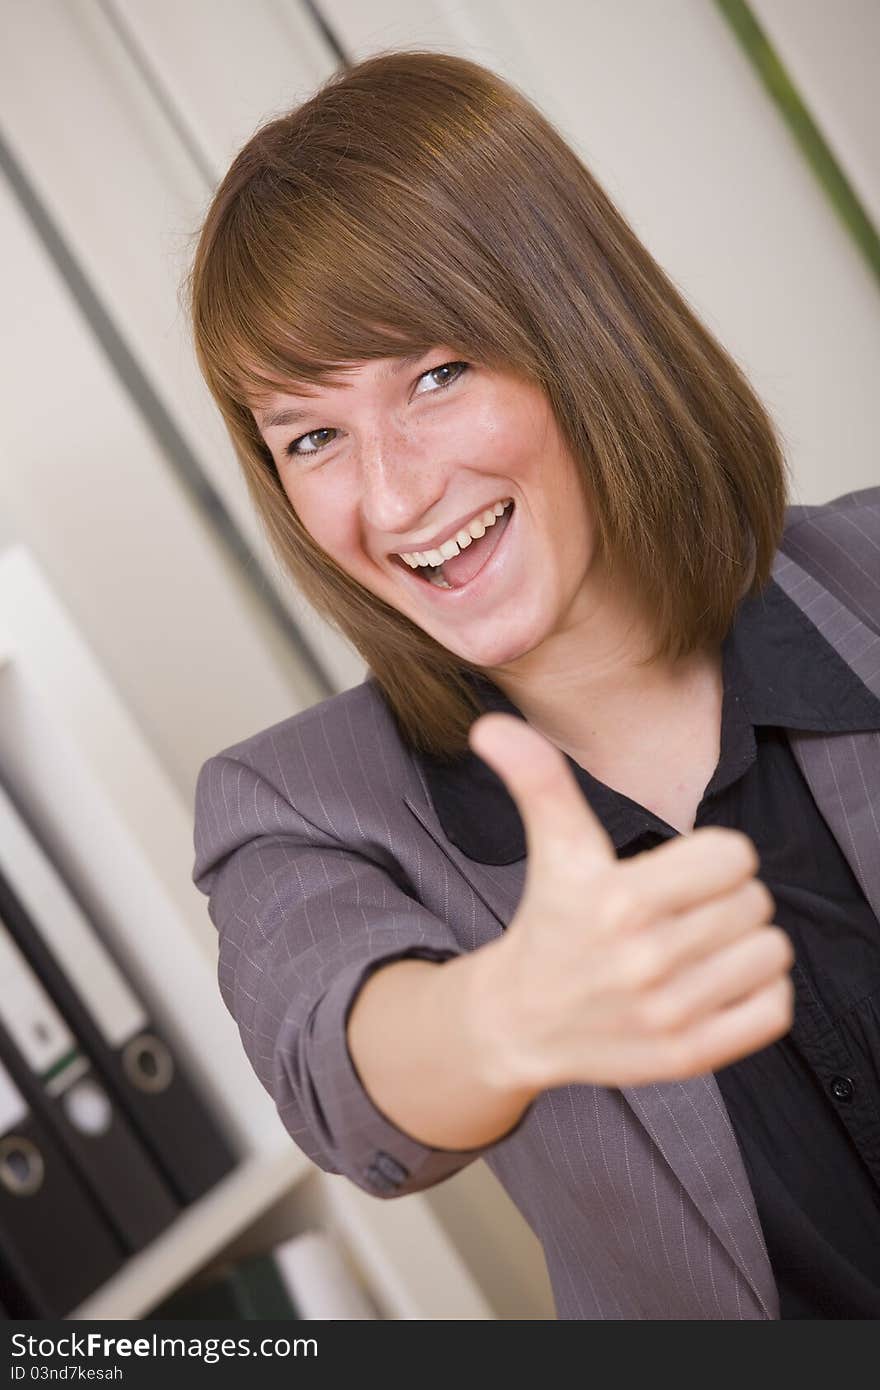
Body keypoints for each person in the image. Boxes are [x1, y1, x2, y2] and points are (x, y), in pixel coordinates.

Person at [186, 50, 880, 1319]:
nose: (391, 498)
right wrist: (503, 1015)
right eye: (312, 436)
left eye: (435, 375)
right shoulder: (292, 806)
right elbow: (336, 1067)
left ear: (577, 329)